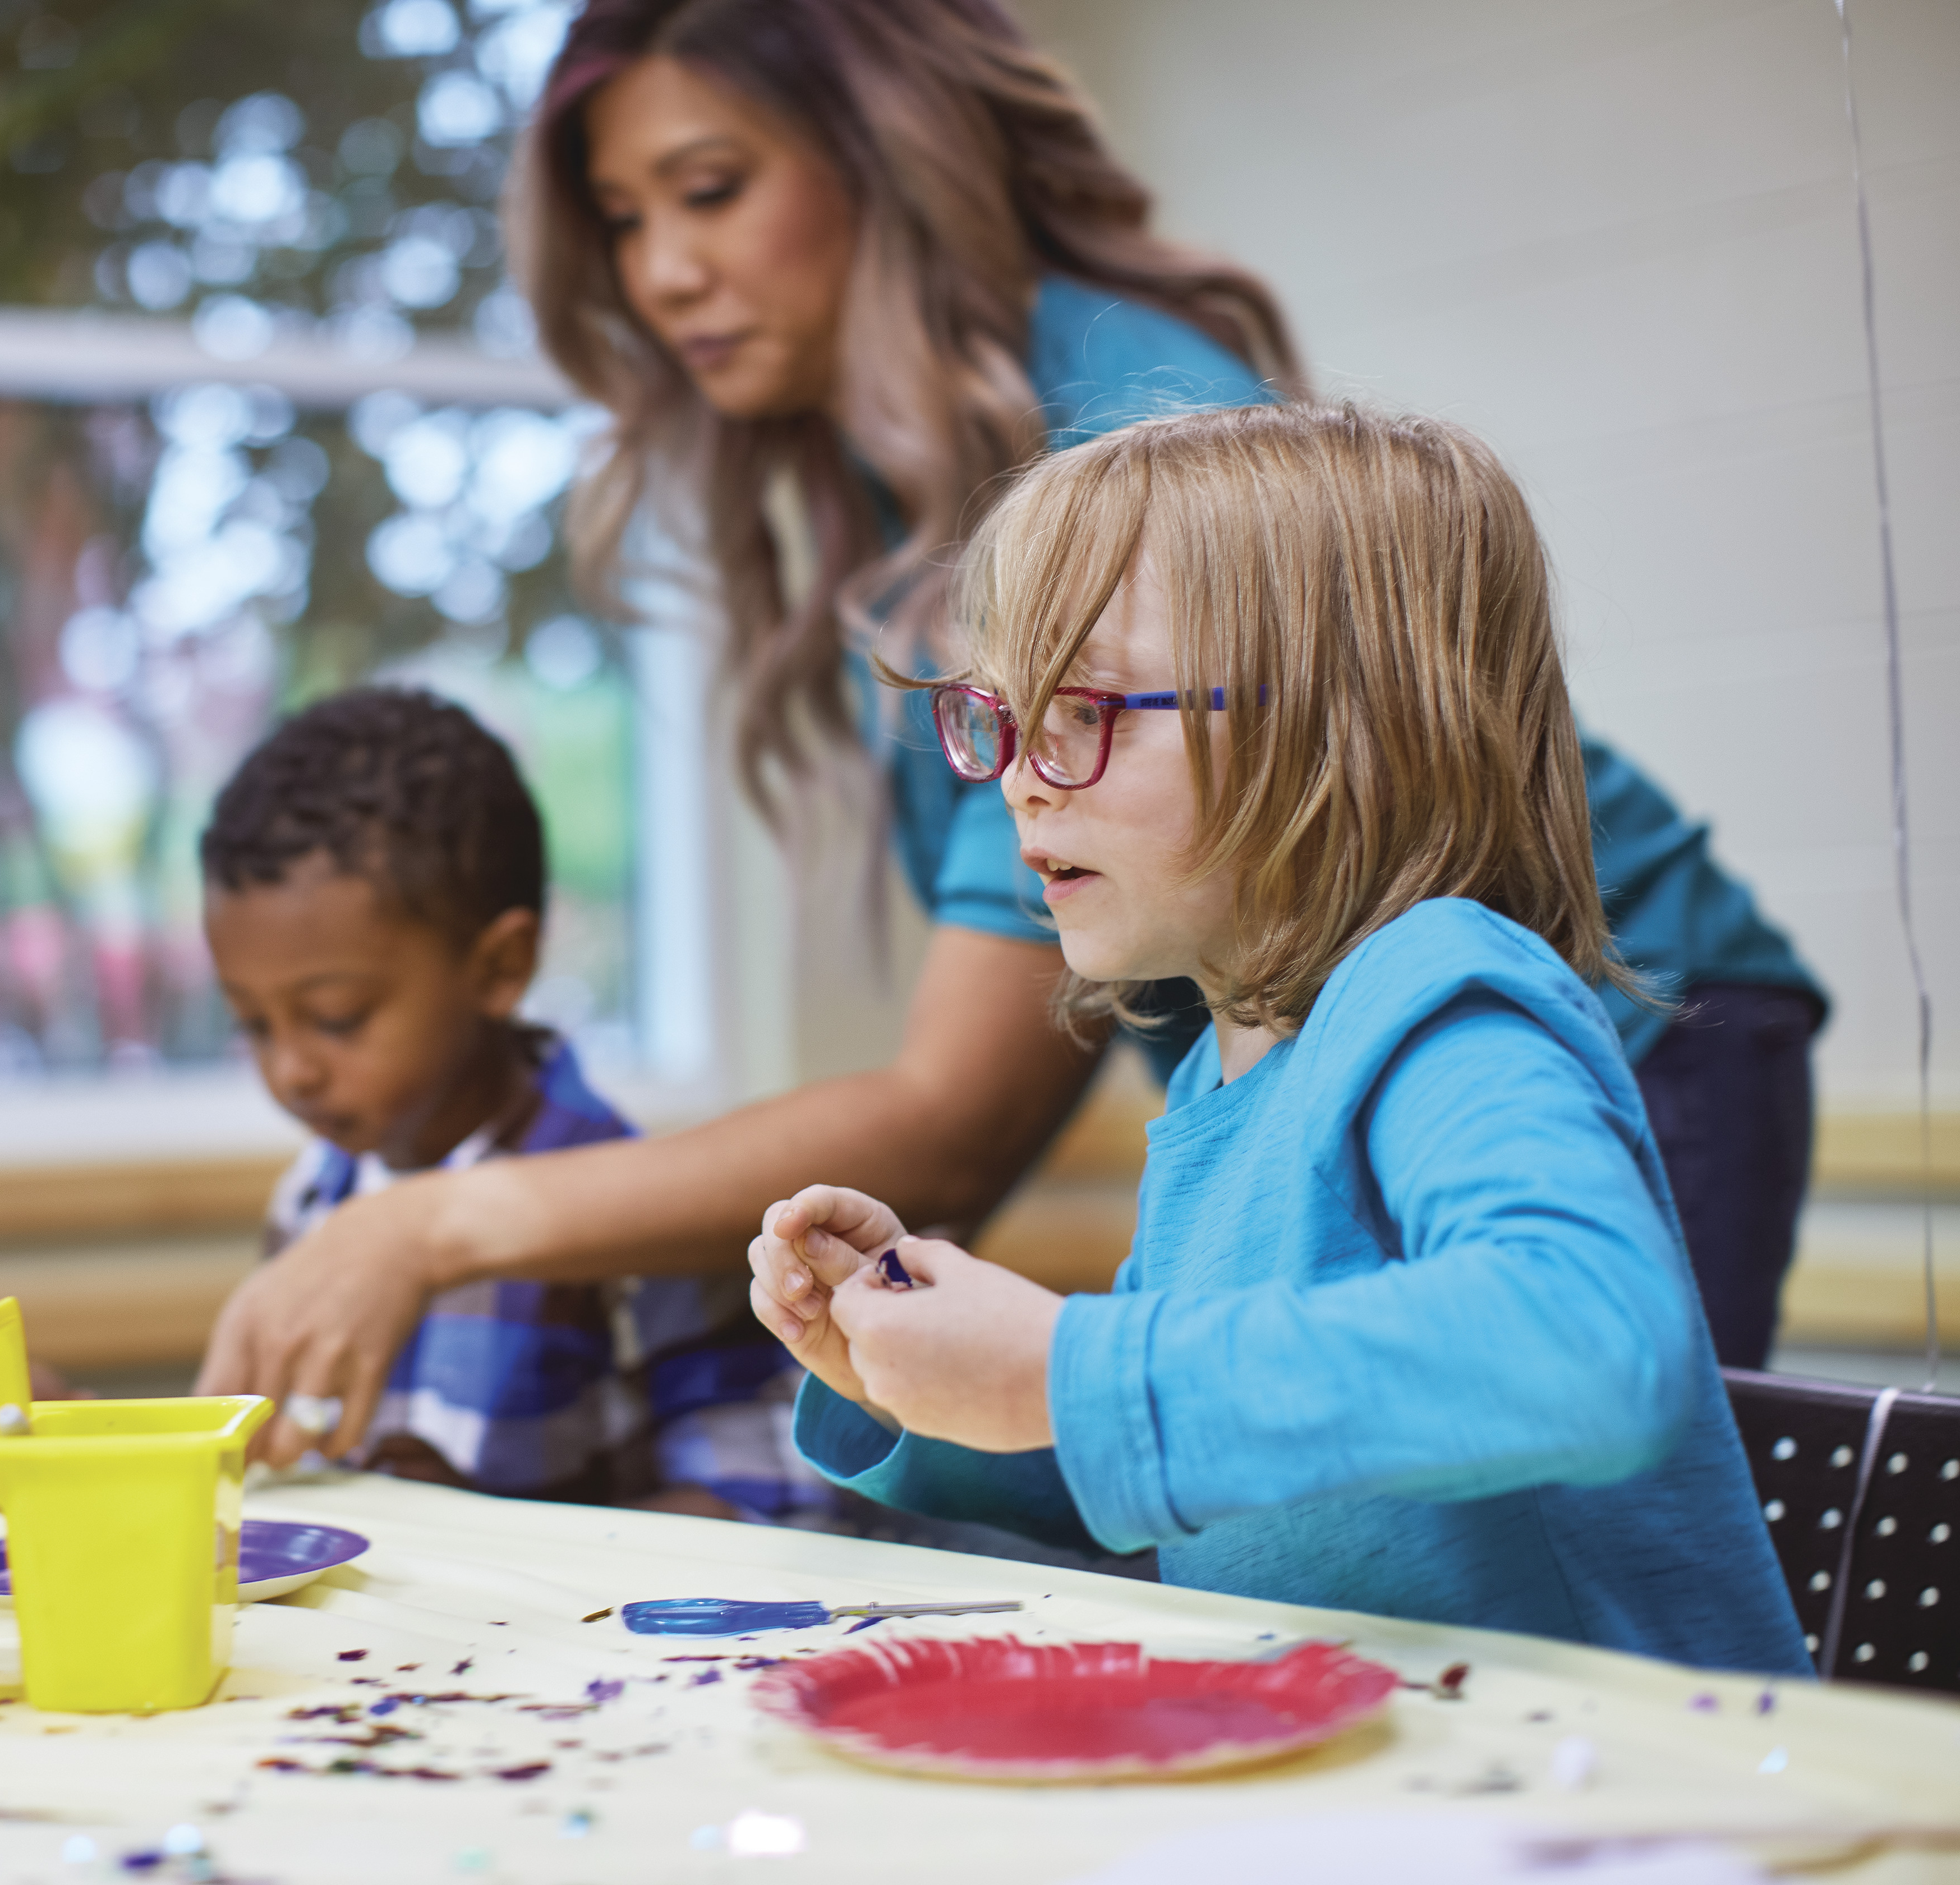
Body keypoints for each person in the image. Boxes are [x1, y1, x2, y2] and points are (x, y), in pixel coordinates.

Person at [197, 0, 1820, 1476]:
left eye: (711, 190)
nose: (662, 273)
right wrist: (905, 1399)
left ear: (887, 161)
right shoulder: (1219, 1093)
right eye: (625, 222)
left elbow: (961, 1114)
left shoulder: (1136, 453)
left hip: (1638, 1014)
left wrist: (432, 1225)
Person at [751, 404, 1804, 1671]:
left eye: (1086, 707)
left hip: (1621, 1776)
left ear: (1337, 730)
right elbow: (1199, 1462)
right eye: (1006, 715)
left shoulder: (1444, 1000)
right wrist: (913, 1379)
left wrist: (1071, 1369)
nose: (1022, 774)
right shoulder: (1224, 1068)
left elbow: (1590, 1345)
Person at [201, 688, 827, 1521]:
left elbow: (767, 1499)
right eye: (251, 1024)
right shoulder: (310, 1199)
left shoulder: (635, 1220)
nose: (290, 1071)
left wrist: (488, 1525)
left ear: (501, 967)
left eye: (336, 1017)